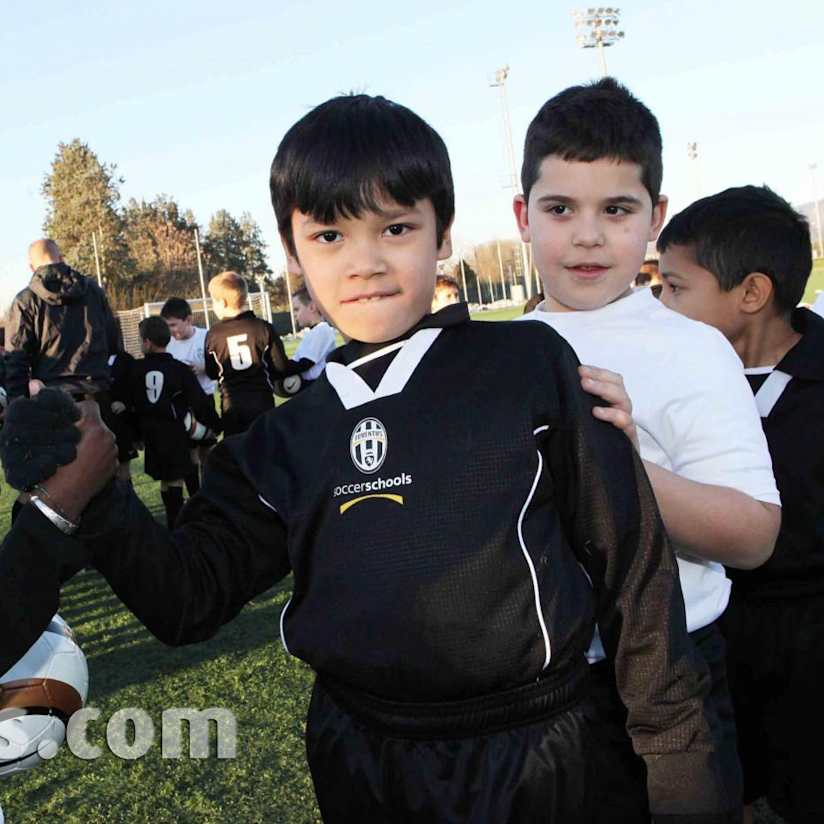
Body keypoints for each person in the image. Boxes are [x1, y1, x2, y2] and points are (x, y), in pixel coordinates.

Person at [0, 94, 727, 823]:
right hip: (362, 761)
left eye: (397, 227)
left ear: (441, 234)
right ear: (290, 253)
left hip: (541, 754)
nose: (366, 261)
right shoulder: (284, 442)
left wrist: (676, 757)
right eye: (328, 236)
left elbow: (633, 570)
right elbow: (184, 602)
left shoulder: (531, 365)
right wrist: (96, 493)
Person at [515, 78, 781, 823]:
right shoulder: (489, 355)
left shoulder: (691, 349)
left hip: (667, 675)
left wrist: (622, 465)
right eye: (560, 208)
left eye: (618, 210)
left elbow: (754, 536)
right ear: (522, 216)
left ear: (655, 218)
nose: (589, 236)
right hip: (527, 691)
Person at [656, 185, 824, 824]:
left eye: (676, 288)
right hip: (709, 644)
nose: (661, 305)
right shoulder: (665, 379)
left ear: (751, 294)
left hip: (807, 653)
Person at [5, 239, 120, 521]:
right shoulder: (93, 291)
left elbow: (15, 361)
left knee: (59, 489)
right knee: (105, 484)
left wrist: (18, 409)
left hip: (54, 405)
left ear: (31, 266)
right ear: (61, 257)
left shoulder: (25, 300)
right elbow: (114, 341)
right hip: (96, 398)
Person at [129, 316, 221, 527]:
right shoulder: (178, 369)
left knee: (165, 479)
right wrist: (214, 425)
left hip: (150, 431)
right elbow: (198, 401)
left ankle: (175, 522)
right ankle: (179, 522)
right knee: (176, 477)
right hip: (174, 430)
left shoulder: (136, 369)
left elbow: (132, 401)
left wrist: (135, 433)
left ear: (147, 343)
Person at [205, 271, 305, 435]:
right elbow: (280, 367)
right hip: (262, 404)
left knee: (237, 456)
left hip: (232, 407)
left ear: (222, 302)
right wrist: (304, 364)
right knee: (265, 454)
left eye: (213, 302)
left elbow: (211, 372)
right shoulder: (263, 327)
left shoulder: (214, 335)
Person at [160, 298, 217, 497]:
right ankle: (196, 496)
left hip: (205, 401)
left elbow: (219, 367)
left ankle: (212, 492)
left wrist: (203, 368)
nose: (172, 330)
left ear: (189, 319)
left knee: (208, 450)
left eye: (174, 324)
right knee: (190, 453)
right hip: (182, 405)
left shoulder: (207, 336)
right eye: (168, 326)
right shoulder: (168, 344)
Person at [291, 286, 337, 382]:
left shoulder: (322, 330)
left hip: (318, 386)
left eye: (297, 309)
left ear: (312, 307)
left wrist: (279, 369)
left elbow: (305, 364)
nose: (294, 314)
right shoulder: (313, 332)